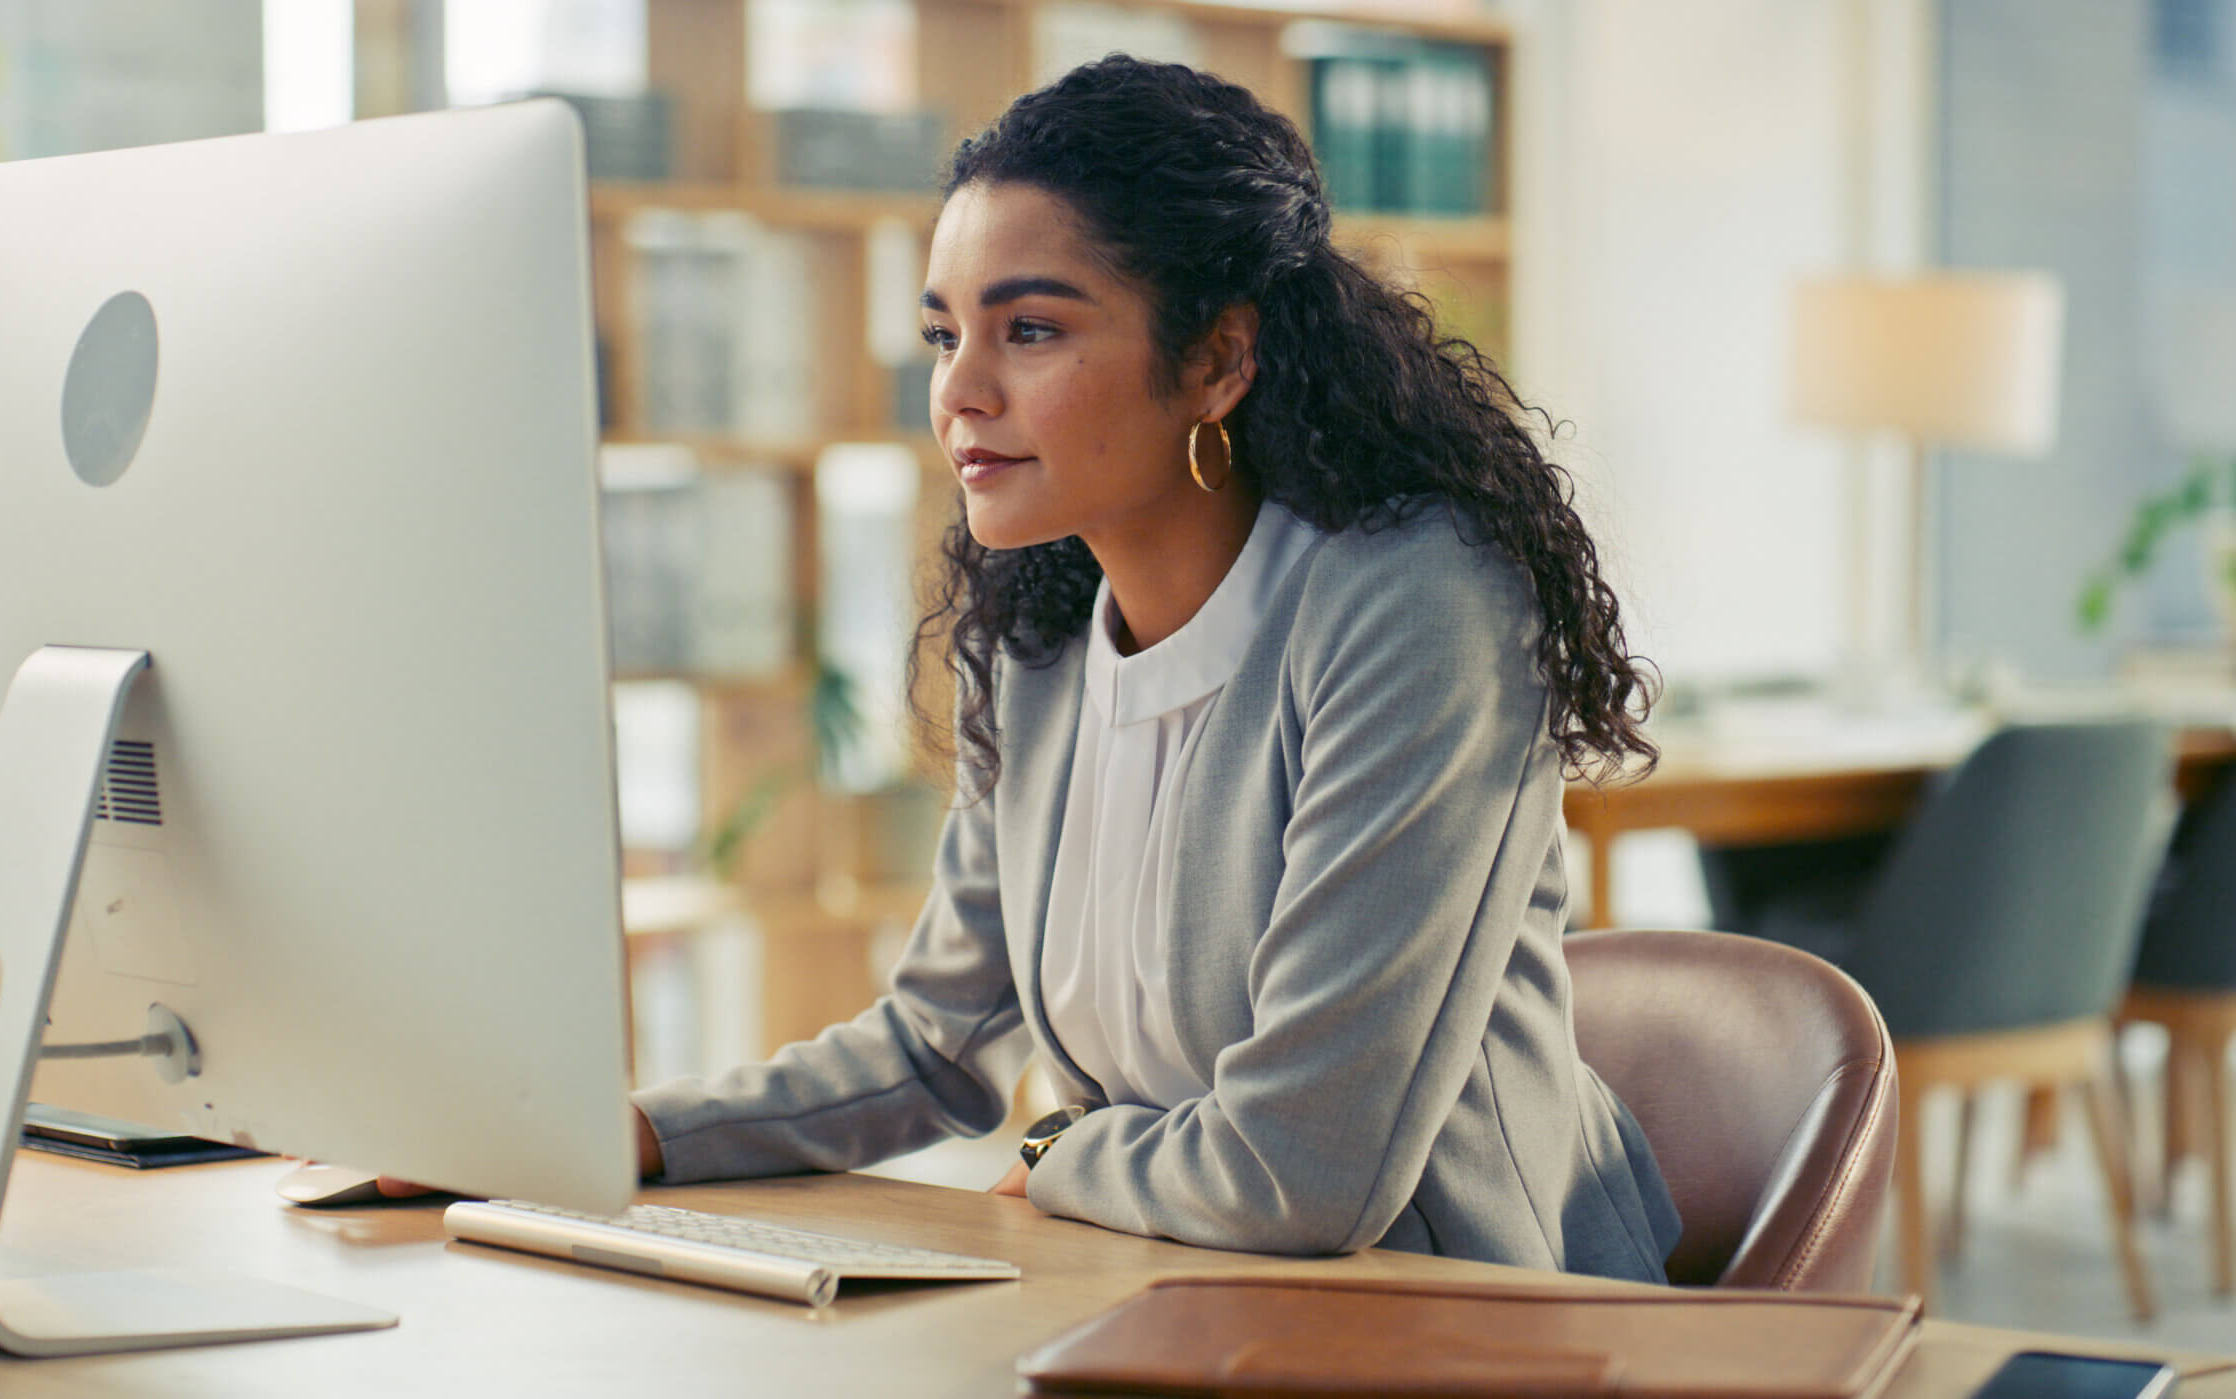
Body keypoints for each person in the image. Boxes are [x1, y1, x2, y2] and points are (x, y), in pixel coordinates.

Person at [624, 55, 1680, 1279]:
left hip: (1466, 1317)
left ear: (1218, 360)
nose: (959, 390)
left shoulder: (1417, 606)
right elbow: (930, 1044)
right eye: (941, 333)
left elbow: (1302, 1172)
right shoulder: (1041, 642)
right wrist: (638, 1132)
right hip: (1163, 1296)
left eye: (1029, 330)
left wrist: (1067, 1148)